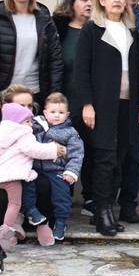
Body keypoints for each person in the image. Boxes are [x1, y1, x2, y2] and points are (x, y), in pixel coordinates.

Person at [75, 0, 139, 236]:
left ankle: (107, 210)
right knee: (105, 158)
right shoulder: (92, 29)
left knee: (120, 158)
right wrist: (87, 104)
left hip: (128, 106)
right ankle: (101, 211)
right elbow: (81, 70)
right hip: (102, 105)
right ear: (102, 0)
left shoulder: (132, 30)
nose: (117, 0)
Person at [0, 0, 64, 110]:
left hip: (36, 92)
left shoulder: (44, 18)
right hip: (6, 93)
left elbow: (55, 58)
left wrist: (54, 93)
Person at [0, 103, 63, 250]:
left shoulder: (3, 133)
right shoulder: (23, 134)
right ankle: (4, 232)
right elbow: (34, 150)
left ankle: (15, 226)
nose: (30, 124)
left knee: (21, 198)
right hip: (13, 177)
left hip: (1, 176)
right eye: (27, 121)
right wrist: (53, 149)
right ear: (17, 121)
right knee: (14, 204)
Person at [52, 0, 95, 214]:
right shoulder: (59, 29)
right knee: (63, 153)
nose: (89, 4)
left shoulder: (96, 30)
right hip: (63, 104)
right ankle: (62, 201)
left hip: (89, 104)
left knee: (90, 152)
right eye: (84, 0)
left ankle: (90, 200)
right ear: (72, 3)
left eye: (92, 0)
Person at [29, 92, 85, 242]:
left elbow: (77, 154)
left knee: (62, 195)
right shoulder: (35, 127)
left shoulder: (70, 132)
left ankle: (60, 222)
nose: (57, 116)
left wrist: (71, 171)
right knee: (28, 187)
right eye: (53, 112)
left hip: (57, 169)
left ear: (67, 115)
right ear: (45, 113)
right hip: (35, 168)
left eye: (61, 112)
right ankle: (31, 212)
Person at [115, 0, 139, 223]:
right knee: (108, 155)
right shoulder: (102, 23)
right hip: (109, 101)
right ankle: (101, 205)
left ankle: (128, 205)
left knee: (132, 156)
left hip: (135, 101)